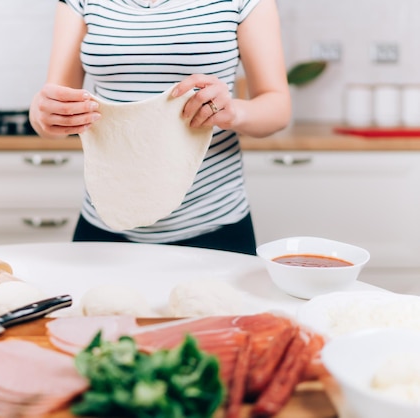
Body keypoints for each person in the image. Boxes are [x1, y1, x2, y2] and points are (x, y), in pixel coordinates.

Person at [29, 0, 291, 255]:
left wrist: (233, 112)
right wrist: (44, 115)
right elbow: (54, 102)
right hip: (105, 224)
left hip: (213, 221)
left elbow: (278, 106)